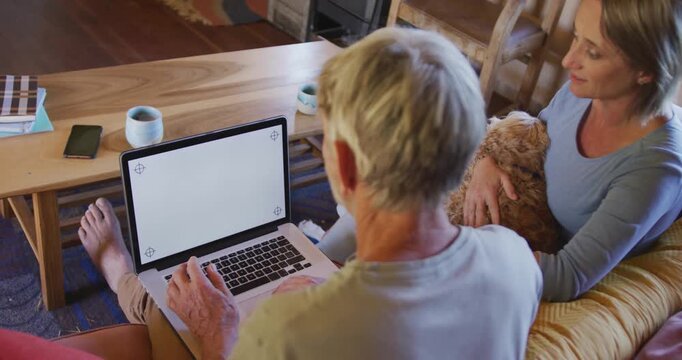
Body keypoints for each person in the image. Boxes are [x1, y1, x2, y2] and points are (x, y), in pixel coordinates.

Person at [72, 28, 541, 359]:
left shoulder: (288, 332)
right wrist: (337, 290)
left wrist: (220, 332)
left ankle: (121, 276)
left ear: (347, 168)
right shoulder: (515, 259)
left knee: (165, 314)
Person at [320, 0, 682, 303]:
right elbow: (534, 133)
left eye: (592, 52)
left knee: (392, 246)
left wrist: (450, 250)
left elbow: (568, 276)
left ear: (646, 72)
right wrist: (486, 162)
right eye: (576, 37)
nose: (569, 61)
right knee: (376, 204)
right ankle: (313, 267)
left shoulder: (651, 171)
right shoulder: (584, 93)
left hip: (528, 250)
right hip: (504, 218)